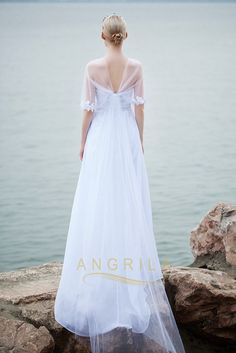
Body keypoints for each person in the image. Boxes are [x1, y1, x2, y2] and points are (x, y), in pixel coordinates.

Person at [54, 13, 186, 353]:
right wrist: (139, 141)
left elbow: (88, 110)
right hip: (125, 135)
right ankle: (126, 285)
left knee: (97, 202)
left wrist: (82, 142)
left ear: (103, 35)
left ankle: (97, 281)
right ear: (124, 36)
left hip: (101, 138)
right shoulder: (137, 67)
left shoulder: (91, 68)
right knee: (128, 203)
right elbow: (140, 110)